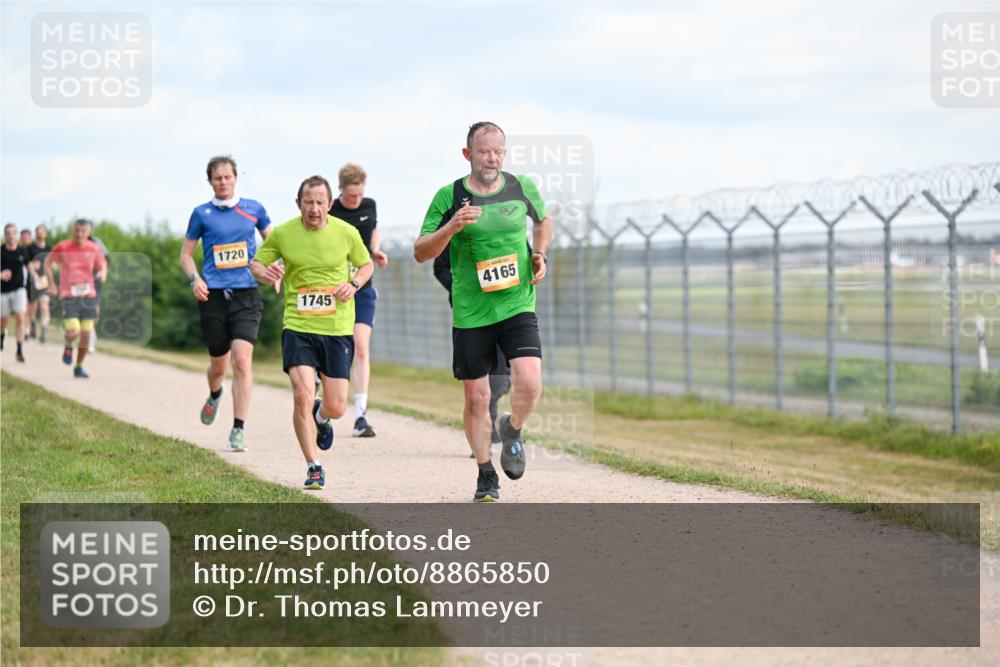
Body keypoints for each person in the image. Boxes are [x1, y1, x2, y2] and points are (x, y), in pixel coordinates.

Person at [414, 122, 552, 502]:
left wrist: (540, 253)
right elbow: (421, 251)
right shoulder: (450, 196)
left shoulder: (520, 186)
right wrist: (452, 228)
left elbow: (543, 220)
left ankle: (512, 427)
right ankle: (485, 472)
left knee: (529, 382)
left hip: (516, 302)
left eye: (498, 151)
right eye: (484, 151)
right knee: (476, 396)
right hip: (472, 312)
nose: (492, 158)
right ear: (467, 155)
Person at [251, 175, 373, 490]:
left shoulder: (346, 233)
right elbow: (257, 265)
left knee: (336, 406)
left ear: (330, 204)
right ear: (298, 203)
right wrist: (267, 273)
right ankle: (313, 465)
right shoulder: (282, 233)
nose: (314, 209)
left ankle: (322, 415)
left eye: (320, 202)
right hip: (298, 325)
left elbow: (366, 265)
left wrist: (354, 283)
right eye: (309, 202)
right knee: (302, 392)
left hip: (336, 328)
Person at [180, 155, 272, 452]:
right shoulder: (201, 214)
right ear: (210, 181)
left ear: (235, 179)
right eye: (217, 178)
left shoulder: (253, 209)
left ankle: (238, 428)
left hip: (246, 294)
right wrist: (195, 279)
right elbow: (186, 255)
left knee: (242, 361)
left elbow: (273, 245)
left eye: (227, 177)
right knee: (218, 366)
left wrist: (274, 269)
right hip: (214, 296)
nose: (223, 182)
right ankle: (215, 392)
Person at [433, 235, 513, 458]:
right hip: (470, 312)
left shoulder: (505, 227)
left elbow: (523, 258)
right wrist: (462, 285)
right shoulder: (457, 229)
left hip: (505, 309)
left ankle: (492, 410)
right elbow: (440, 266)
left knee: (499, 379)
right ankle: (482, 439)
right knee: (477, 380)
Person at [328, 163, 389, 437]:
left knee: (361, 347)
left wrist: (375, 251)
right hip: (333, 290)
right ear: (340, 190)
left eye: (360, 195)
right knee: (331, 347)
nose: (356, 201)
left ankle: (361, 415)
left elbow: (372, 230)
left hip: (362, 287)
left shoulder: (370, 205)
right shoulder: (329, 210)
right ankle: (325, 404)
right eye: (351, 196)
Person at [44, 218, 107, 378]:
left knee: (86, 336)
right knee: (74, 332)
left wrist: (102, 273)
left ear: (89, 233)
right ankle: (68, 345)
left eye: (83, 231)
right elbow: (48, 262)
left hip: (88, 296)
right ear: (73, 230)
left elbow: (103, 265)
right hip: (69, 295)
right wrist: (51, 283)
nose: (79, 234)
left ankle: (78, 366)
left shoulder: (94, 248)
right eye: (77, 230)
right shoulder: (63, 246)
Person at [1, 223, 30, 362]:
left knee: (20, 317)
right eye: (8, 233)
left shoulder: (22, 251)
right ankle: (1, 336)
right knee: (3, 320)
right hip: (3, 290)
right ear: (5, 235)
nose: (11, 235)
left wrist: (38, 279)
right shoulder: (1, 252)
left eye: (13, 233)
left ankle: (19, 349)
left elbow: (29, 266)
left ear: (16, 234)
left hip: (19, 289)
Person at [25, 224, 51, 343]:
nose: (39, 234)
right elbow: (28, 263)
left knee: (44, 306)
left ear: (46, 233)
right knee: (32, 308)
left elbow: (53, 263)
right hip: (33, 282)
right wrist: (34, 274)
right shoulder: (30, 248)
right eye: (37, 232)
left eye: (42, 232)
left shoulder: (49, 248)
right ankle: (32, 324)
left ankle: (44, 329)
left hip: (45, 281)